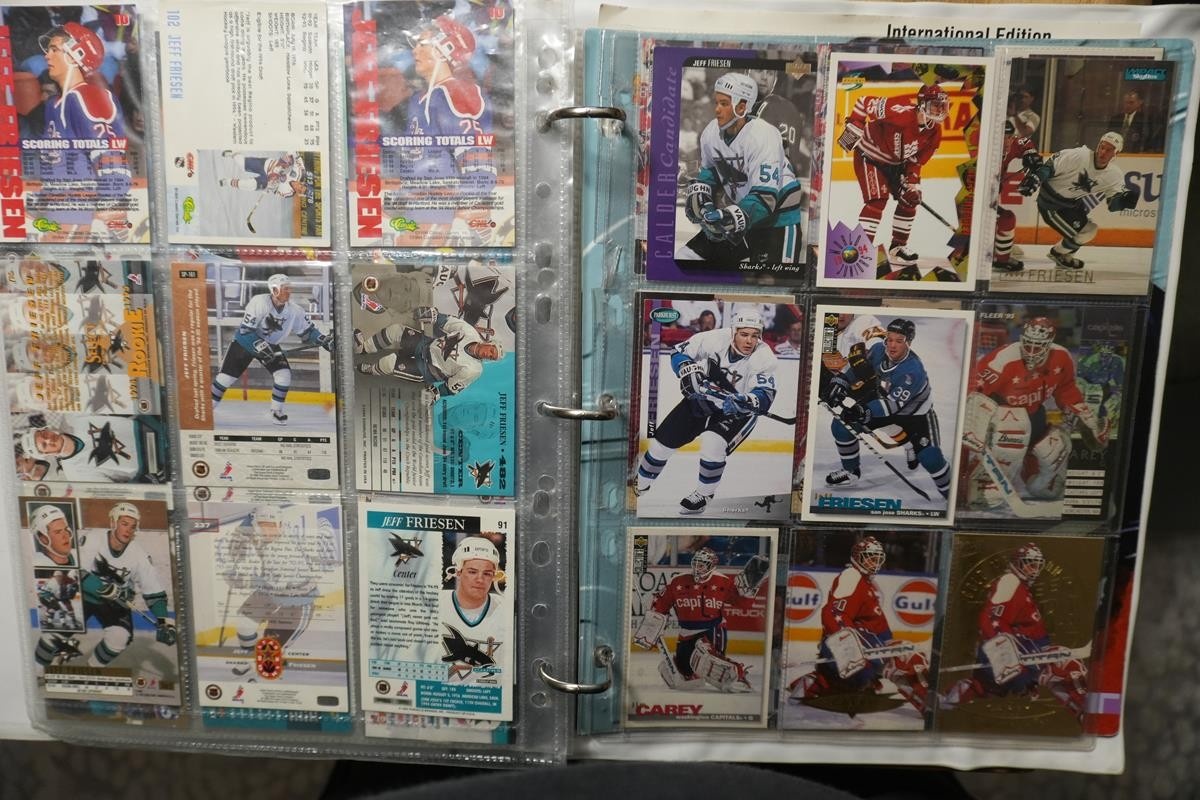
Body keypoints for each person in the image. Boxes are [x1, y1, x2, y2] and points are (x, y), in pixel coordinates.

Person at [633, 310, 778, 514]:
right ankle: (640, 484)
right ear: (733, 332)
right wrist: (686, 368)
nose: (749, 341)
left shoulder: (764, 357)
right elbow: (679, 352)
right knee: (660, 446)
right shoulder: (713, 339)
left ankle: (704, 494)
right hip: (704, 399)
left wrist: (746, 400)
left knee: (713, 442)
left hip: (737, 410)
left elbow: (765, 395)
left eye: (754, 336)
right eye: (744, 334)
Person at [961, 317, 1108, 510]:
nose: (1031, 351)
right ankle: (985, 481)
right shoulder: (1002, 360)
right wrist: (972, 423)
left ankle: (1031, 472)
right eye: (1028, 343)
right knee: (1014, 428)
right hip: (999, 419)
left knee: (1051, 458)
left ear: (1050, 342)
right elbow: (973, 393)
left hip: (1035, 415)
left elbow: (1066, 389)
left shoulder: (1062, 357)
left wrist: (1085, 417)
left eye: (1038, 346)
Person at [939, 543, 1089, 722]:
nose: (1034, 570)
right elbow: (991, 618)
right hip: (1016, 652)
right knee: (1066, 665)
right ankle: (1090, 712)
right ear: (1017, 562)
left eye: (1037, 565)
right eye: (1030, 564)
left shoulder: (1019, 586)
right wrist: (1007, 656)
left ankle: (944, 702)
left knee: (984, 687)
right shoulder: (1010, 581)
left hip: (1014, 652)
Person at [787, 536, 929, 712]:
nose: (873, 562)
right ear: (856, 557)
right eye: (869, 557)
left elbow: (874, 625)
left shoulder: (864, 582)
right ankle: (929, 704)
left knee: (907, 660)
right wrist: (847, 645)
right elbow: (833, 612)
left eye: (877, 559)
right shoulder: (851, 576)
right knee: (906, 659)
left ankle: (813, 683)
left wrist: (886, 645)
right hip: (848, 645)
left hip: (863, 644)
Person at [676, 72, 803, 268]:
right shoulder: (711, 132)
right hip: (743, 215)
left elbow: (765, 199)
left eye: (724, 104)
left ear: (742, 107)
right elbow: (712, 170)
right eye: (716, 102)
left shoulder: (764, 135)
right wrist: (702, 193)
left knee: (771, 281)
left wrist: (728, 218)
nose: (717, 109)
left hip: (778, 222)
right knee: (686, 258)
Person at [34, 502, 176, 669]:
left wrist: (163, 620)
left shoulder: (140, 555)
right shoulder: (93, 538)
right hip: (85, 597)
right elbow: (76, 570)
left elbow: (154, 590)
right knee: (53, 634)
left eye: (132, 526)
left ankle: (91, 671)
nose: (128, 530)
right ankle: (37, 670)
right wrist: (100, 587)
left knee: (119, 637)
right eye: (124, 524)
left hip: (115, 604)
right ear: (113, 522)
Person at [821, 318, 952, 499]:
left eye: (899, 341)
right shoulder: (878, 350)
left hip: (916, 416)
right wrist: (841, 381)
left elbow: (892, 405)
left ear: (909, 342)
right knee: (841, 426)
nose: (892, 345)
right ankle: (851, 472)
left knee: (931, 459)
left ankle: (951, 495)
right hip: (883, 403)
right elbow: (857, 366)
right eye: (889, 339)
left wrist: (864, 412)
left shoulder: (912, 371)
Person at [399, 14, 496, 245]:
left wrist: (471, 205)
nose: (414, 51)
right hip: (420, 205)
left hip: (441, 211)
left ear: (445, 49)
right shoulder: (419, 99)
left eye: (422, 45)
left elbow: (476, 158)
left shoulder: (455, 93)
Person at [837, 83, 949, 274]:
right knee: (877, 201)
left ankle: (898, 247)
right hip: (869, 156)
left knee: (909, 200)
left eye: (942, 106)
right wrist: (855, 124)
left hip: (896, 164)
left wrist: (912, 184)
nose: (939, 111)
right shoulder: (898, 111)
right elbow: (863, 102)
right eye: (935, 106)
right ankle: (859, 250)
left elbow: (915, 161)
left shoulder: (935, 133)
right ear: (922, 105)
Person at [37, 22, 133, 242]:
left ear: (76, 56)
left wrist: (111, 203)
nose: (47, 55)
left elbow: (109, 153)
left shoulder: (88, 96)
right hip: (60, 208)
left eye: (54, 49)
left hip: (79, 213)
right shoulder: (54, 104)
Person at [632, 547, 768, 692]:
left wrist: (749, 592)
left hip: (712, 630)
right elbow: (661, 602)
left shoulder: (722, 581)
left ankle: (738, 675)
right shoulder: (677, 581)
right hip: (685, 634)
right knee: (682, 671)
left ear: (711, 565)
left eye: (702, 564)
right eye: (696, 563)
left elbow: (742, 604)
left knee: (705, 660)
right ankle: (694, 674)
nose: (698, 567)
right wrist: (654, 622)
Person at [218, 506, 338, 666]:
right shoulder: (259, 532)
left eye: (272, 526)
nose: (268, 531)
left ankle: (261, 665)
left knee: (271, 645)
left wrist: (241, 580)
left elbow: (274, 584)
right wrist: (244, 530)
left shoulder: (284, 550)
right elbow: (239, 540)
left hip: (297, 600)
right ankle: (250, 659)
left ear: (280, 525)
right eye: (263, 526)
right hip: (270, 592)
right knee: (245, 624)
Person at [210, 274, 335, 425]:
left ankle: (275, 411)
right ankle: (207, 408)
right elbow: (245, 331)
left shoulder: (295, 310)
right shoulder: (259, 302)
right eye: (285, 288)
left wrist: (322, 339)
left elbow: (308, 332)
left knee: (283, 375)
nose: (289, 291)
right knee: (226, 379)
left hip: (269, 344)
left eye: (289, 288)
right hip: (245, 342)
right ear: (274, 290)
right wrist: (260, 347)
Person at [1017, 131, 1139, 270]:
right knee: (1083, 234)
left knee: (1089, 230)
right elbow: (1050, 166)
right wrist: (1036, 178)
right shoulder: (1079, 156)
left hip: (1072, 204)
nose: (1103, 152)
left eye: (1109, 150)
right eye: (1102, 147)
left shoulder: (1114, 175)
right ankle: (1058, 253)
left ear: (1116, 153)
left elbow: (1112, 205)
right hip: (1050, 205)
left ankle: (1064, 255)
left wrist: (1123, 202)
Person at [353, 306, 504, 406]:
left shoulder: (475, 369)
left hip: (426, 369)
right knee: (395, 330)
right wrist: (433, 316)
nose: (488, 355)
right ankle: (363, 348)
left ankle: (372, 369)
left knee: (389, 362)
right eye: (491, 351)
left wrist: (438, 393)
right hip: (425, 344)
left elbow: (453, 387)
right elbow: (447, 322)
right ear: (489, 343)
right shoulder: (470, 332)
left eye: (491, 357)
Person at [438, 536, 508, 681]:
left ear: (494, 576)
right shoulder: (435, 603)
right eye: (472, 572)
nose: (480, 579)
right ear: (458, 572)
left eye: (487, 573)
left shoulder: (505, 609)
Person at [992, 120, 1043, 272]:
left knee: (1006, 219)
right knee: (1004, 219)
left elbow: (1024, 142)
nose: (1007, 142)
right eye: (1003, 137)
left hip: (989, 199)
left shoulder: (1012, 144)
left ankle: (999, 255)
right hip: (973, 197)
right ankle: (998, 257)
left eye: (1009, 137)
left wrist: (1031, 155)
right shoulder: (984, 150)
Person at [219, 150, 306, 199]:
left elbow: (275, 190)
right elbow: (294, 153)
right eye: (301, 187)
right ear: (302, 183)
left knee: (249, 185)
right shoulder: (300, 172)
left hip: (267, 180)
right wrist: (287, 158)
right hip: (267, 165)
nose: (299, 188)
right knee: (242, 164)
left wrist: (272, 187)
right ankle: (233, 154)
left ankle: (228, 182)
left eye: (299, 191)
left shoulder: (288, 193)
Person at [1108, 89, 1156, 154]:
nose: (1128, 105)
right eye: (1126, 102)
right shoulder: (1115, 119)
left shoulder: (1145, 120)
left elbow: (1148, 142)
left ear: (1139, 103)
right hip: (1115, 154)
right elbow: (1108, 137)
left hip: (1135, 155)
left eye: (1131, 103)